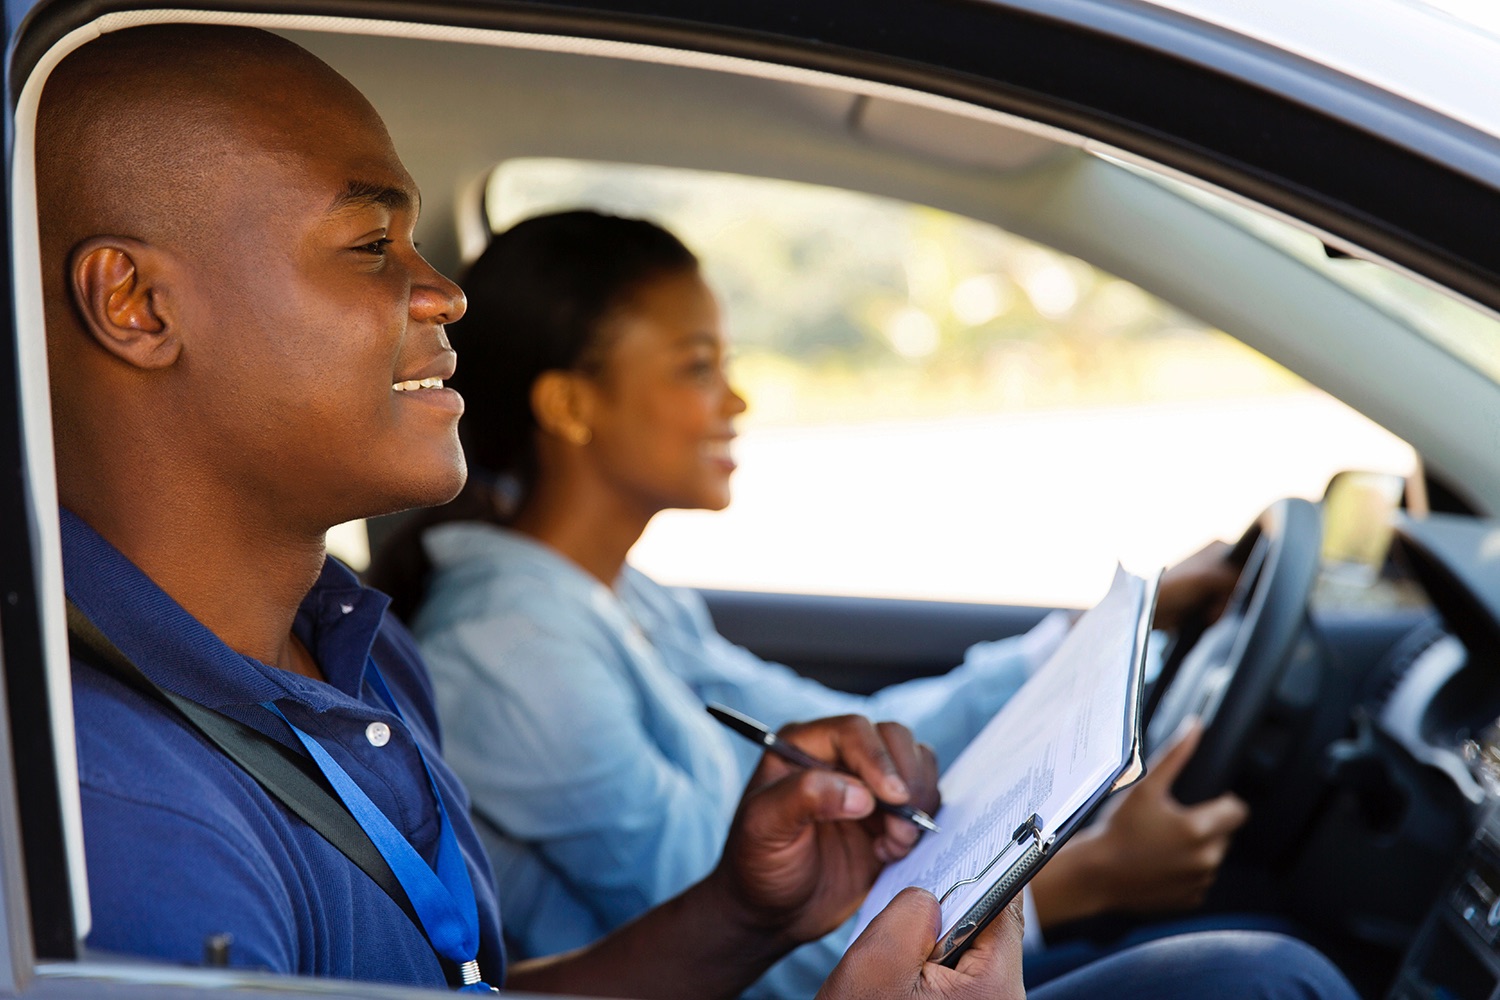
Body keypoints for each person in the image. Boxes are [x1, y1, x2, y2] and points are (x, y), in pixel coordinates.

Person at [39, 21, 1354, 1000]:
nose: (442, 294)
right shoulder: (129, 824)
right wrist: (1086, 882)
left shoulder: (348, 650)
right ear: (138, 307)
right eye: (373, 244)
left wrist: (740, 913)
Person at [368, 210, 1257, 994]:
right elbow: (745, 941)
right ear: (569, 404)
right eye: (697, 366)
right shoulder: (509, 650)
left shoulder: (616, 597)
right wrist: (1089, 878)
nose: (737, 398)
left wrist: (1082, 641)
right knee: (1261, 975)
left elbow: (856, 725)